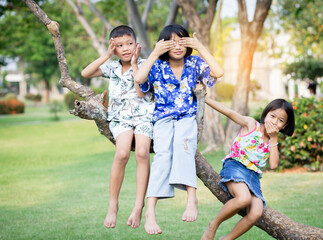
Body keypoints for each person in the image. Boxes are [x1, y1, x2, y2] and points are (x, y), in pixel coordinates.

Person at [134, 24, 224, 235]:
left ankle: (192, 198)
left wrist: (200, 46)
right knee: (163, 156)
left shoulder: (194, 63)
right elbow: (139, 80)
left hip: (186, 118)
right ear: (163, 44)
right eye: (171, 41)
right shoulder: (157, 65)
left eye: (181, 40)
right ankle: (150, 212)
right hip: (163, 120)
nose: (177, 45)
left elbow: (218, 72)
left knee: (184, 148)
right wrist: (155, 52)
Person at [81, 25, 154, 229]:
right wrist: (106, 55)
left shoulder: (145, 64)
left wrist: (134, 64)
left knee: (142, 153)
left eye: (129, 44)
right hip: (120, 118)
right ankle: (113, 205)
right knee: (121, 153)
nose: (125, 48)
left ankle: (138, 206)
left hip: (143, 116)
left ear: (136, 44)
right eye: (119, 45)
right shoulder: (111, 67)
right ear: (113, 47)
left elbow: (141, 93)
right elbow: (85, 73)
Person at [201, 98, 295, 240]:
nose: (275, 122)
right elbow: (227, 111)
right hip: (235, 166)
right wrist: (204, 97)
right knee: (243, 199)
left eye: (281, 120)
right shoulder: (251, 124)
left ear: (284, 125)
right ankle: (213, 225)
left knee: (256, 212)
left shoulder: (272, 141)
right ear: (266, 114)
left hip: (252, 176)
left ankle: (227, 239)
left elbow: (274, 165)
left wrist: (274, 138)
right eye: (273, 116)